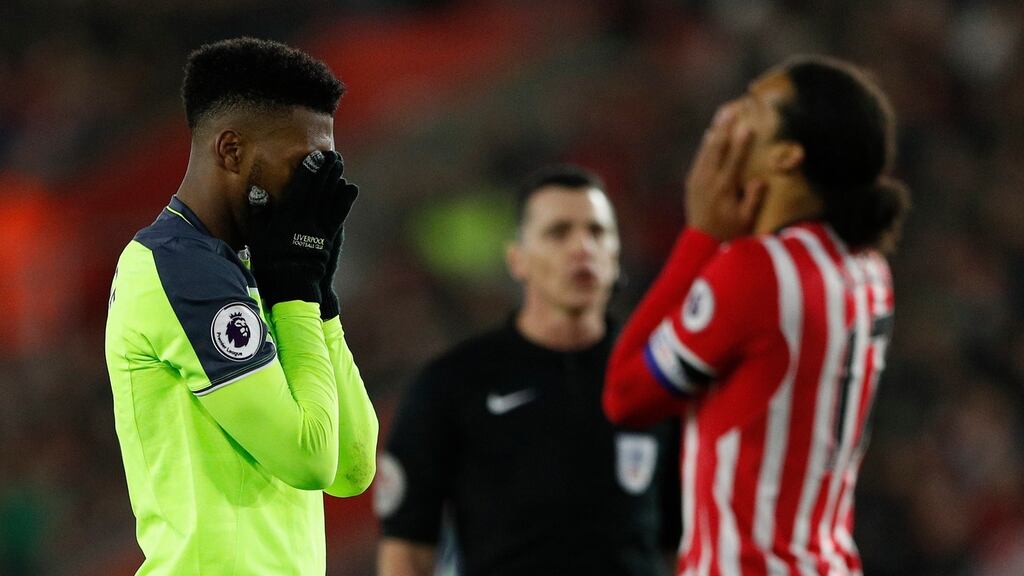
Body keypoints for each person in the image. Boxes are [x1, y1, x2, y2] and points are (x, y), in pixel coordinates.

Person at [603, 56, 910, 575]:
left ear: (787, 156)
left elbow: (625, 396)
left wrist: (699, 236)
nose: (726, 116)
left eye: (751, 107)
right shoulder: (867, 268)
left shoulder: (757, 271)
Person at [105, 37, 378, 575]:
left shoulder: (257, 270)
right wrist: (296, 291)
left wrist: (317, 297)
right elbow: (307, 457)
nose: (313, 187)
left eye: (324, 166)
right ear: (231, 151)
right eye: (303, 164)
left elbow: (351, 468)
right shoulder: (177, 267)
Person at [375, 165, 681, 576]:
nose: (582, 247)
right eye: (558, 232)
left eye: (597, 232)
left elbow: (686, 538)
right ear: (518, 260)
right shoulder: (451, 385)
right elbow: (407, 552)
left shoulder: (658, 376)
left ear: (615, 254)